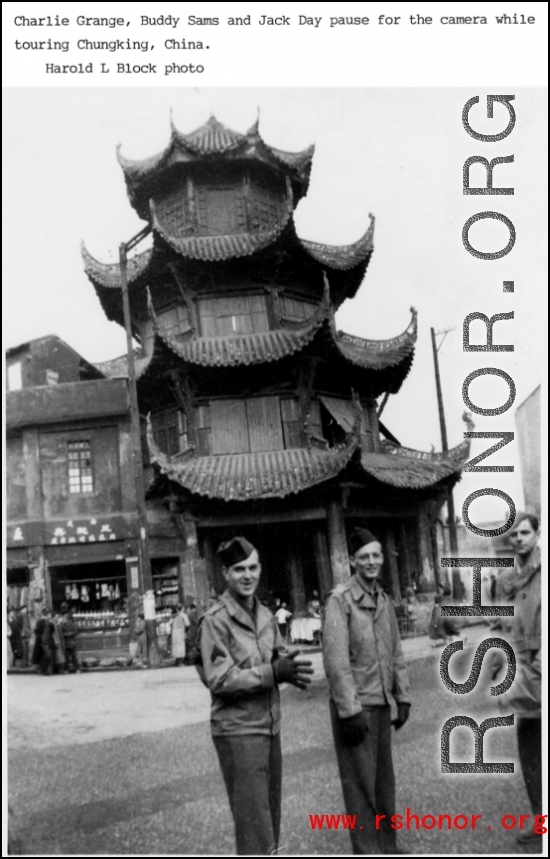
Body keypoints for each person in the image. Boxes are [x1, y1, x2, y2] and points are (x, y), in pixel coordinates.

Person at [198, 536, 313, 855]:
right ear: (225, 574)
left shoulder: (264, 615)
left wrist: (287, 662)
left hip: (269, 727)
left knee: (269, 821)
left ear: (260, 568)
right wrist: (273, 673)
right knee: (254, 828)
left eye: (252, 567)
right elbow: (220, 680)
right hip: (238, 731)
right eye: (238, 569)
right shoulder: (214, 621)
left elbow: (275, 653)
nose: (247, 575)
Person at [323, 527, 411, 855]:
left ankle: (388, 846)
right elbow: (335, 663)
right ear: (352, 562)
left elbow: (396, 651)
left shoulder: (384, 601)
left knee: (384, 783)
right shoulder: (339, 602)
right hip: (356, 710)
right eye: (364, 557)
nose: (371, 562)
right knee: (360, 787)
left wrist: (402, 696)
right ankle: (368, 850)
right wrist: (349, 710)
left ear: (382, 559)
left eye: (376, 555)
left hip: (382, 703)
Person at [494, 513, 541, 844]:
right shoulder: (505, 580)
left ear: (537, 534)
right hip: (522, 675)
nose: (520, 539)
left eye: (526, 532)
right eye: (514, 535)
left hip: (539, 671)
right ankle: (541, 820)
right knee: (531, 755)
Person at [32, 608, 56, 675]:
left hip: (49, 640)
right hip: (43, 641)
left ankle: (48, 671)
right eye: (48, 614)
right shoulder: (40, 622)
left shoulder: (50, 622)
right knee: (48, 655)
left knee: (49, 655)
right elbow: (36, 631)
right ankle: (42, 667)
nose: (49, 616)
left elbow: (52, 630)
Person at [59, 602, 81, 673]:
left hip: (71, 642)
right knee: (66, 657)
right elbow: (61, 633)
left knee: (74, 656)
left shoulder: (73, 625)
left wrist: (69, 634)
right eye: (64, 618)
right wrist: (67, 634)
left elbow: (76, 631)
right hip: (66, 642)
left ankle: (76, 668)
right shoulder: (61, 625)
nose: (64, 619)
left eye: (65, 618)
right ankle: (66, 669)